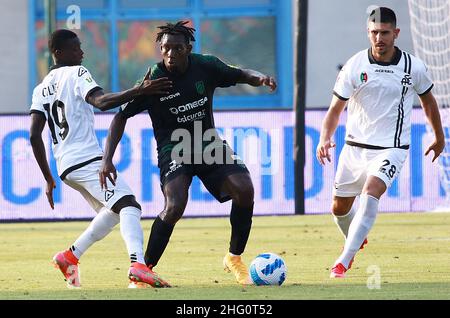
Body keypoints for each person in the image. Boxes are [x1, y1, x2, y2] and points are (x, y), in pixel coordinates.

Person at [99, 21, 277, 285]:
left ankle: (234, 258)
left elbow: (240, 73)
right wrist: (107, 159)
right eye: (166, 48)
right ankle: (143, 270)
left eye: (177, 48)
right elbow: (120, 117)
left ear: (188, 48)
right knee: (174, 206)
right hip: (175, 150)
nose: (171, 54)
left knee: (245, 189)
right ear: (160, 49)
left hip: (208, 144)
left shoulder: (206, 65)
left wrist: (259, 78)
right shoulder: (153, 79)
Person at [29, 29, 172, 288]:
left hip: (65, 167)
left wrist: (48, 177)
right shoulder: (77, 73)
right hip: (86, 159)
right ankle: (137, 265)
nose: (81, 53)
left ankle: (69, 256)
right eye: (75, 49)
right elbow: (102, 102)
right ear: (59, 53)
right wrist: (141, 90)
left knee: (115, 211)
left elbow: (33, 135)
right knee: (129, 206)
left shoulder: (40, 89)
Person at [316, 7, 445, 278]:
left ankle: (343, 260)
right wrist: (325, 138)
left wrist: (439, 136)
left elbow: (428, 102)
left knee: (370, 193)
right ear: (368, 33)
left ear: (395, 33)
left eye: (385, 33)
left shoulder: (413, 67)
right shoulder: (355, 65)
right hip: (354, 148)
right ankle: (356, 236)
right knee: (339, 208)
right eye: (374, 33)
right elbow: (335, 110)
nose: (379, 38)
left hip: (391, 148)